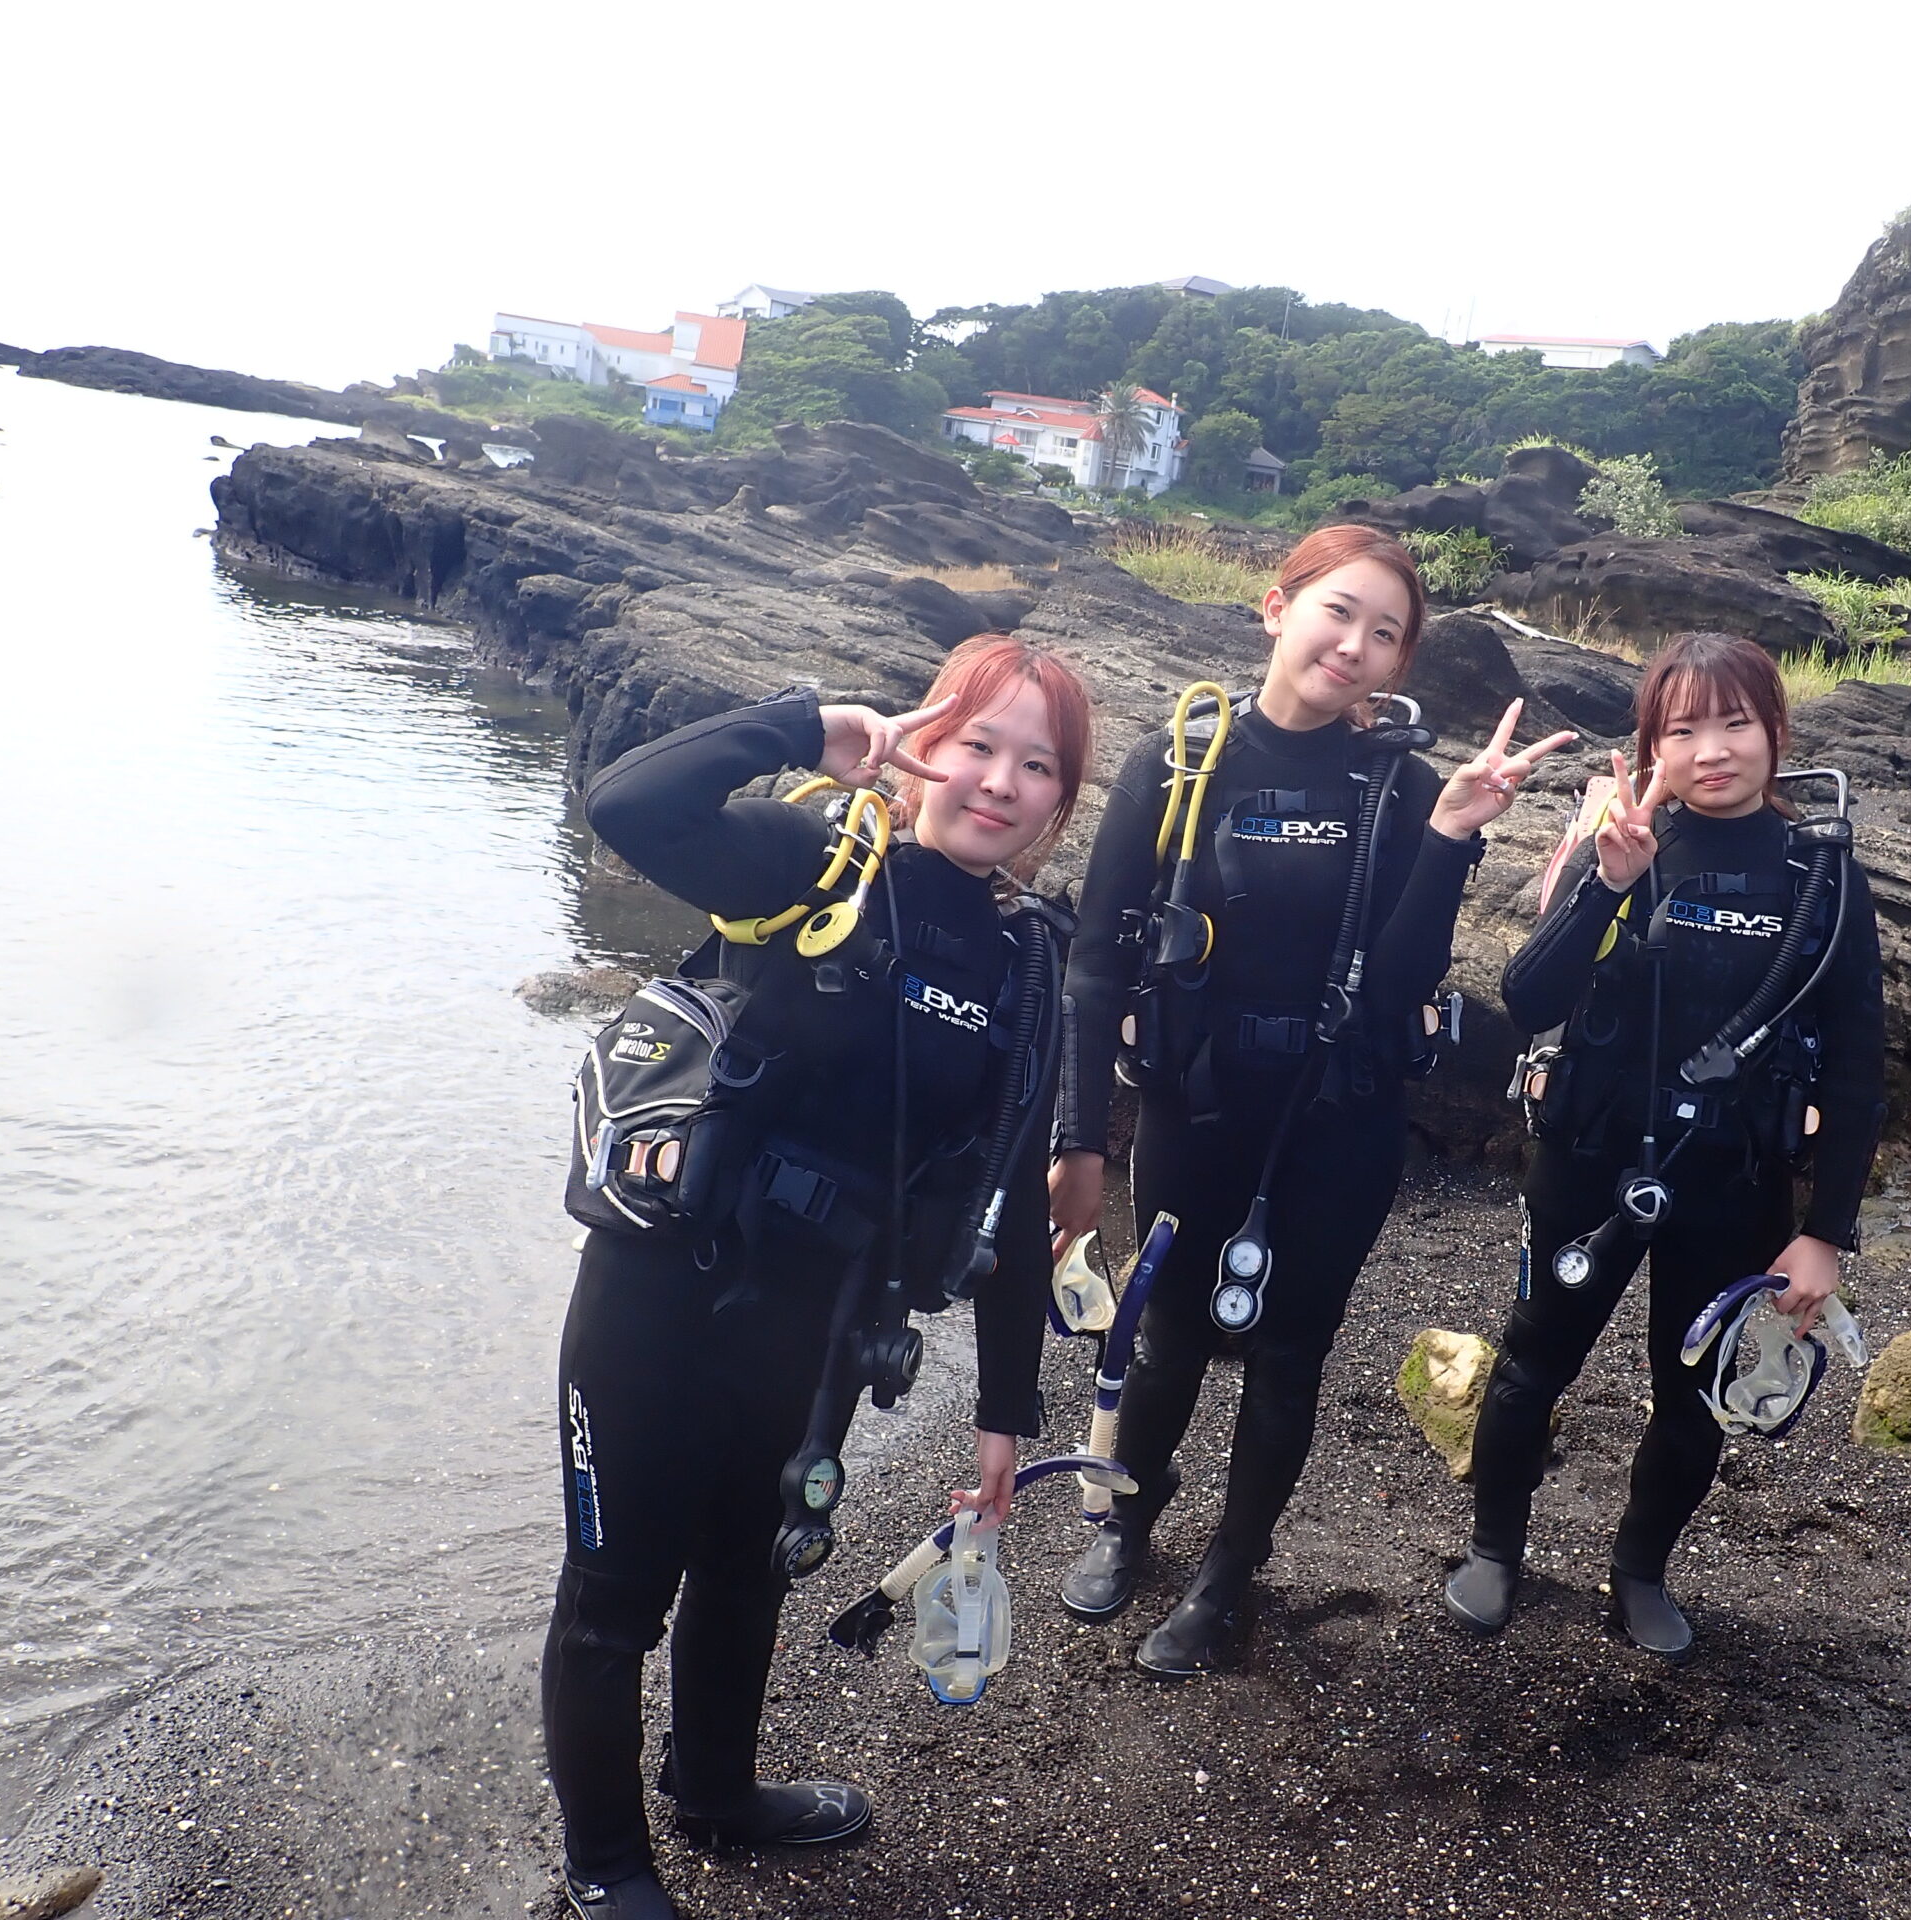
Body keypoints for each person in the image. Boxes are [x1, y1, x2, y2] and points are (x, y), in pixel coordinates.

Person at [541, 636, 1094, 1920]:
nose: (999, 782)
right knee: (616, 1594)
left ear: (1060, 809)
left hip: (821, 1331)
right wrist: (805, 727)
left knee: (746, 1569)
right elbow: (628, 804)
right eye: (975, 742)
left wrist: (1006, 1411)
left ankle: (717, 1793)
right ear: (923, 749)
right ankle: (607, 1865)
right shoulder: (812, 869)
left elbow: (1006, 1205)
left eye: (1037, 767)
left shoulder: (1023, 974)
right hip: (658, 1298)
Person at [1048, 523, 1573, 1678]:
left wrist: (1446, 839)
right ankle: (1129, 1522)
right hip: (1200, 1103)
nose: (1356, 643)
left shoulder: (1402, 786)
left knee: (1289, 1356)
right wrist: (1078, 1136)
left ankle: (1230, 1572)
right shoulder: (1180, 760)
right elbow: (1090, 965)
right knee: (1170, 1334)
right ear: (1276, 607)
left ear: (1398, 663)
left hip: (1340, 1117)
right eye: (1339, 610)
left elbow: (1395, 985)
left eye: (1387, 633)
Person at [1442, 630, 1886, 1659]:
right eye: (1681, 729)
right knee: (1531, 1364)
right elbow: (1525, 997)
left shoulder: (1819, 876)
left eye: (1736, 723)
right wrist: (1606, 882)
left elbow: (1857, 1069)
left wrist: (1824, 1234)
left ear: (1776, 735)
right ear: (1650, 747)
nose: (1712, 749)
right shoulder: (1626, 841)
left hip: (1735, 1179)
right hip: (1594, 1158)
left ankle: (1639, 1571)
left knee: (1692, 1399)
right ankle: (1493, 1548)